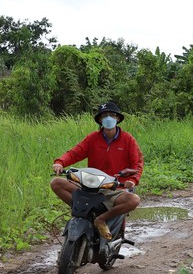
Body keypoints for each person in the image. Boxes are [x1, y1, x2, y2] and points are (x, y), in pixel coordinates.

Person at [51, 102, 144, 240]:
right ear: (100, 120)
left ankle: (101, 219)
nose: (108, 118)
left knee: (134, 200)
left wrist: (132, 180)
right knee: (56, 183)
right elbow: (74, 153)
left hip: (115, 187)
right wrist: (60, 162)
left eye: (111, 115)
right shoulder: (92, 138)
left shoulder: (128, 139)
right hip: (91, 186)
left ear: (117, 118)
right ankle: (82, 212)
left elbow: (137, 164)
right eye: (104, 115)